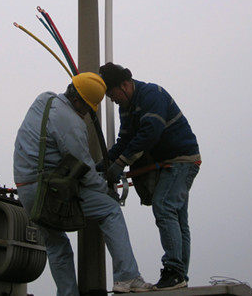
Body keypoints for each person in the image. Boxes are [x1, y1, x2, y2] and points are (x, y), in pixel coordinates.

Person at [13, 72, 152, 296]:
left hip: (26, 190)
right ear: (77, 100)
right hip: (49, 192)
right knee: (110, 210)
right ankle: (127, 277)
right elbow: (84, 169)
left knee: (57, 246)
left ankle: (68, 294)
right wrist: (105, 190)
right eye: (87, 108)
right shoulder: (71, 122)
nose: (87, 114)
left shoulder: (44, 99)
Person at [99, 62, 201, 291]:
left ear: (124, 85)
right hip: (168, 163)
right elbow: (124, 141)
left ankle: (174, 271)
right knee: (178, 217)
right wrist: (103, 164)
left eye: (113, 95)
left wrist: (120, 163)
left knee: (164, 206)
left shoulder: (151, 95)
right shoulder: (126, 107)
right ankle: (179, 276)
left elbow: (150, 133)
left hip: (182, 160)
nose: (113, 100)